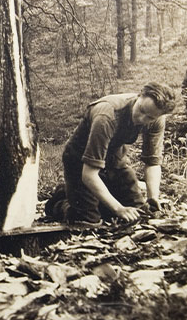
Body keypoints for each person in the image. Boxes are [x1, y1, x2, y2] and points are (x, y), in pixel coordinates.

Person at [45, 82, 177, 227]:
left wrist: (153, 198)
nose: (141, 119)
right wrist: (118, 208)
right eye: (141, 110)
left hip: (113, 157)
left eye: (150, 118)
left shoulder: (157, 118)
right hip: (79, 160)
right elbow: (89, 174)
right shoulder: (107, 115)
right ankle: (60, 201)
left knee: (139, 214)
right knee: (87, 221)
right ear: (139, 95)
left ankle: (90, 197)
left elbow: (152, 162)